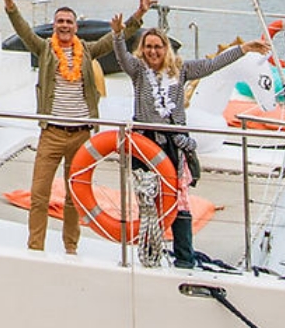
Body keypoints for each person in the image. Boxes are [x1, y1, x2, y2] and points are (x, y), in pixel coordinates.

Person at [0, 0, 153, 255]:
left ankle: (71, 248)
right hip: (51, 134)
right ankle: (35, 248)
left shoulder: (88, 51)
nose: (64, 26)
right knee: (39, 196)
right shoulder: (45, 49)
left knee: (74, 198)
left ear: (76, 27)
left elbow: (114, 38)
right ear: (54, 26)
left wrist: (139, 13)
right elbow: (24, 32)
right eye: (60, 22)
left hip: (81, 135)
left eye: (69, 22)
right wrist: (10, 5)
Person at [111, 14, 270, 268]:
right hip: (145, 143)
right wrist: (118, 35)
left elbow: (213, 65)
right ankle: (150, 254)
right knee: (148, 198)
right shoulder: (138, 71)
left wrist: (244, 49)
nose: (153, 52)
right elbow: (121, 57)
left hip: (174, 144)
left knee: (179, 199)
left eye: (158, 47)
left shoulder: (181, 70)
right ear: (143, 49)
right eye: (148, 47)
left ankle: (184, 258)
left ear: (166, 49)